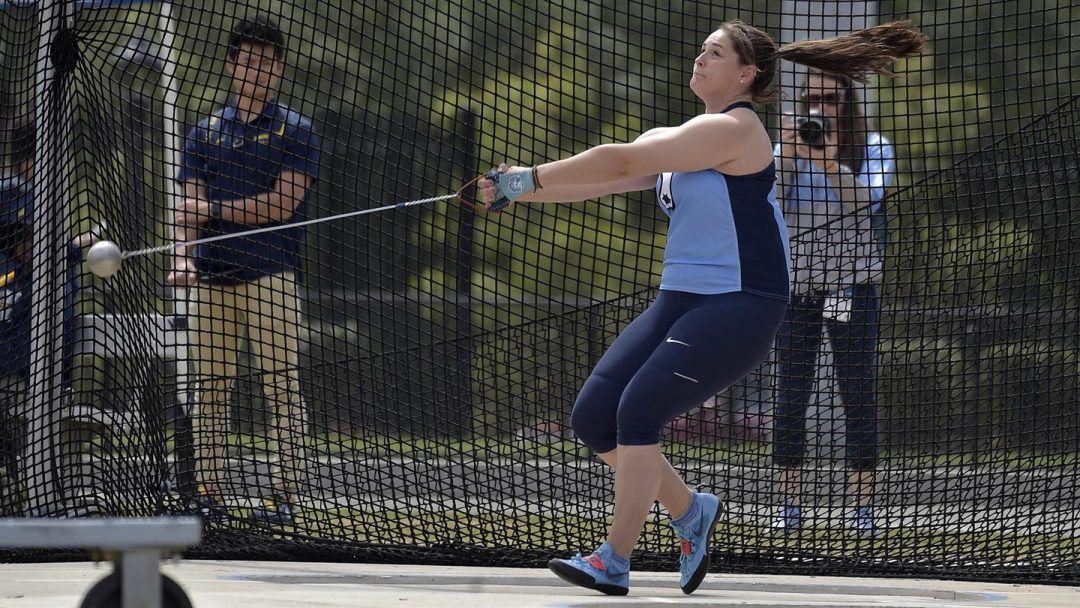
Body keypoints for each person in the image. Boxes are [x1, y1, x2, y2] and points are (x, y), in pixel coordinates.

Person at [478, 20, 925, 596]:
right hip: (680, 300)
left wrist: (530, 175)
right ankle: (692, 511)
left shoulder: (738, 130)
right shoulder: (683, 135)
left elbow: (612, 159)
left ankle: (613, 560)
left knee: (637, 414)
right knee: (593, 420)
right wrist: (515, 190)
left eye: (714, 53)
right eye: (702, 50)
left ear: (746, 74)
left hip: (742, 303)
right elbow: (604, 180)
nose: (700, 58)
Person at [169, 15, 320, 526]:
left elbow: (282, 203)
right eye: (247, 61)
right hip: (212, 277)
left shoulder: (296, 130)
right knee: (211, 388)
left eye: (267, 62)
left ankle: (284, 499)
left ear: (279, 69)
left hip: (271, 275)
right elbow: (188, 208)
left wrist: (212, 210)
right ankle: (207, 494)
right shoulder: (204, 133)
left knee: (281, 386)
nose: (257, 70)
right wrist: (183, 257)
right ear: (231, 65)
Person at [770, 68, 899, 536]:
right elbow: (769, 202)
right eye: (811, 99)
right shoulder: (788, 148)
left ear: (848, 103)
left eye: (830, 99)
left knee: (857, 393)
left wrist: (826, 161)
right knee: (791, 393)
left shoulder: (874, 147)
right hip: (797, 289)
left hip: (852, 286)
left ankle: (862, 504)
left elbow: (868, 200)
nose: (819, 109)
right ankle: (789, 504)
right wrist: (789, 153)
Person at [0, 121, 35, 514]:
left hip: (31, 364)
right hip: (14, 362)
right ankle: (12, 497)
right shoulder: (16, 194)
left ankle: (17, 496)